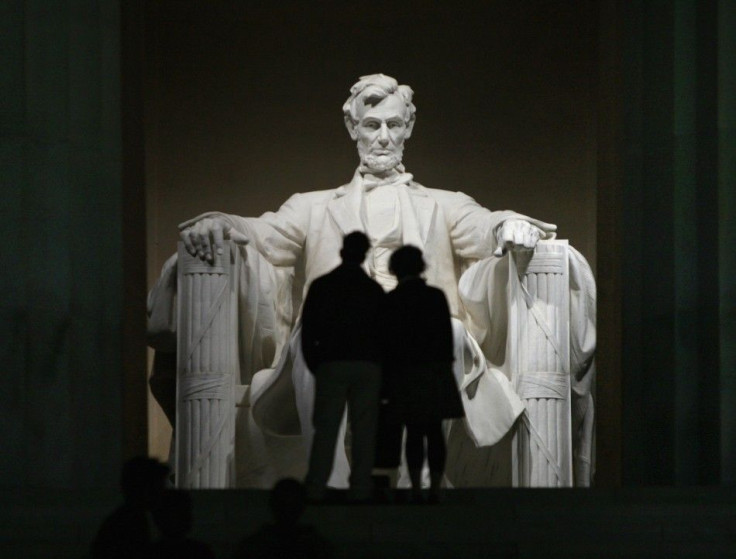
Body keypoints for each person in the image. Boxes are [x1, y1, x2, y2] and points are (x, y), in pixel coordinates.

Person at [148, 73, 596, 488]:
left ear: (409, 128)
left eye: (394, 125)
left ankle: (417, 479)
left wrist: (509, 226)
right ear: (353, 129)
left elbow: (485, 225)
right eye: (371, 124)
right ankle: (336, 480)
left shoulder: (445, 205)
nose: (383, 136)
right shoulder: (312, 206)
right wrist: (217, 222)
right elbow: (261, 235)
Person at [300, 231, 385, 502]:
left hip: (332, 365)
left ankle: (316, 486)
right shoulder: (372, 290)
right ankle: (360, 486)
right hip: (365, 367)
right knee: (364, 431)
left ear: (342, 252)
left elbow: (308, 330)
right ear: (363, 255)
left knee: (325, 428)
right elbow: (384, 334)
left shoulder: (323, 286)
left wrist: (317, 364)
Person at [379, 246, 464, 503]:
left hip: (405, 374)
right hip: (434, 371)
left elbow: (387, 345)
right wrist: (444, 368)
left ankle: (416, 487)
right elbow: (445, 338)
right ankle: (435, 487)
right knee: (435, 431)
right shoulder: (436, 296)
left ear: (394, 270)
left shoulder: (392, 300)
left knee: (414, 432)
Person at [91, 456, 169, 559]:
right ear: (146, 489)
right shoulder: (132, 523)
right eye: (159, 487)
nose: (163, 492)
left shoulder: (124, 520)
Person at [233, 478, 331, 559]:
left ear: (272, 504)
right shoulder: (316, 546)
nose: (287, 510)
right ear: (302, 508)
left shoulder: (254, 546)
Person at [146, 490, 214, 559]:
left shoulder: (150, 553)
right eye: (182, 514)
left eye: (187, 513)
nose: (189, 518)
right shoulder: (201, 551)